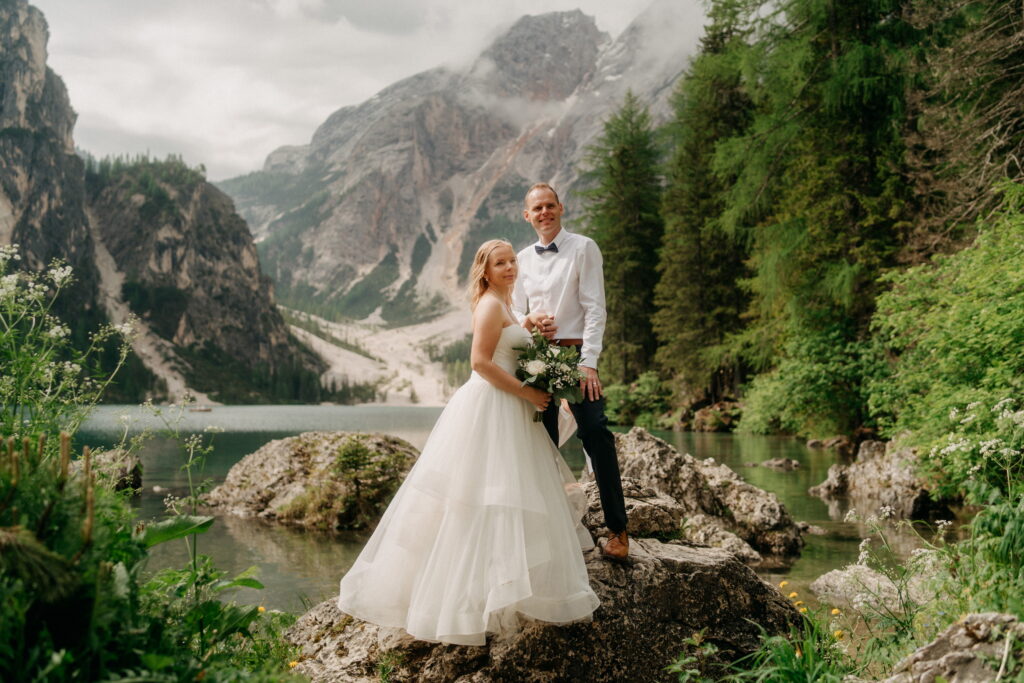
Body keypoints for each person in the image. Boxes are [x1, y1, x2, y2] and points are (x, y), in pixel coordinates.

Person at [337, 239, 599, 646]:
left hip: (509, 409)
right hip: (492, 407)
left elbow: (506, 345)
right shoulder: (491, 305)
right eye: (501, 263)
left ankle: (499, 586)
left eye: (513, 260)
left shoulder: (506, 305)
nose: (510, 267)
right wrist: (529, 393)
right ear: (486, 270)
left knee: (504, 498)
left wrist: (527, 326)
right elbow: (480, 363)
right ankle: (463, 599)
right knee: (479, 500)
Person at [512, 182, 630, 561]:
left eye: (550, 205)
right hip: (538, 359)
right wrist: (528, 320)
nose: (544, 213)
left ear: (561, 208)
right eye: (537, 208)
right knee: (542, 443)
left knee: (596, 433)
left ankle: (618, 530)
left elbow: (595, 308)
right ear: (526, 216)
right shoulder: (521, 259)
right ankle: (551, 532)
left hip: (577, 355)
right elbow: (512, 310)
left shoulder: (584, 247)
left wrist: (589, 362)